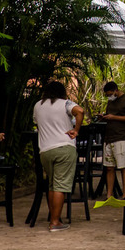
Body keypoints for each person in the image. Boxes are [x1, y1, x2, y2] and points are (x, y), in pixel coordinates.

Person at [32, 80, 84, 232]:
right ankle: (55, 222)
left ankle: (55, 217)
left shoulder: (38, 105)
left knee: (52, 184)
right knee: (60, 185)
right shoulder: (65, 104)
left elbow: (37, 124)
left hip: (45, 150)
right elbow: (80, 111)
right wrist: (76, 129)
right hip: (64, 147)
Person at [97, 81, 125, 201]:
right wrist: (103, 117)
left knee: (123, 166)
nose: (109, 96)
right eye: (107, 95)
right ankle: (110, 194)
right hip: (109, 137)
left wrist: (114, 117)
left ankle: (124, 194)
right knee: (109, 167)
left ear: (116, 90)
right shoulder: (110, 101)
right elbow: (110, 115)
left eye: (110, 94)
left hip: (122, 137)